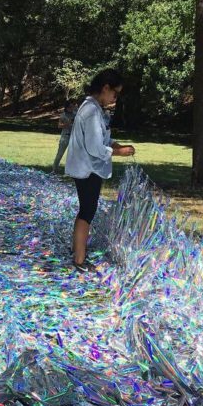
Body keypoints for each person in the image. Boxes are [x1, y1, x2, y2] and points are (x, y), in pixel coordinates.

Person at [65, 69, 136, 270]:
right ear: (105, 88)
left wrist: (116, 145)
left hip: (89, 169)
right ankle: (79, 259)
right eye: (115, 93)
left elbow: (102, 139)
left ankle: (76, 250)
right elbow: (95, 148)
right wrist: (119, 152)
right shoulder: (91, 111)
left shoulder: (94, 109)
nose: (115, 98)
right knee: (87, 212)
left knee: (86, 210)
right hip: (88, 170)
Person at [52, 101, 77, 174]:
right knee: (60, 153)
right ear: (66, 107)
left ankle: (72, 171)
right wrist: (67, 124)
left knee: (73, 155)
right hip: (65, 136)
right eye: (70, 107)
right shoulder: (63, 115)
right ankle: (54, 169)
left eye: (73, 107)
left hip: (74, 137)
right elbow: (59, 126)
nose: (72, 108)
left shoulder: (75, 115)